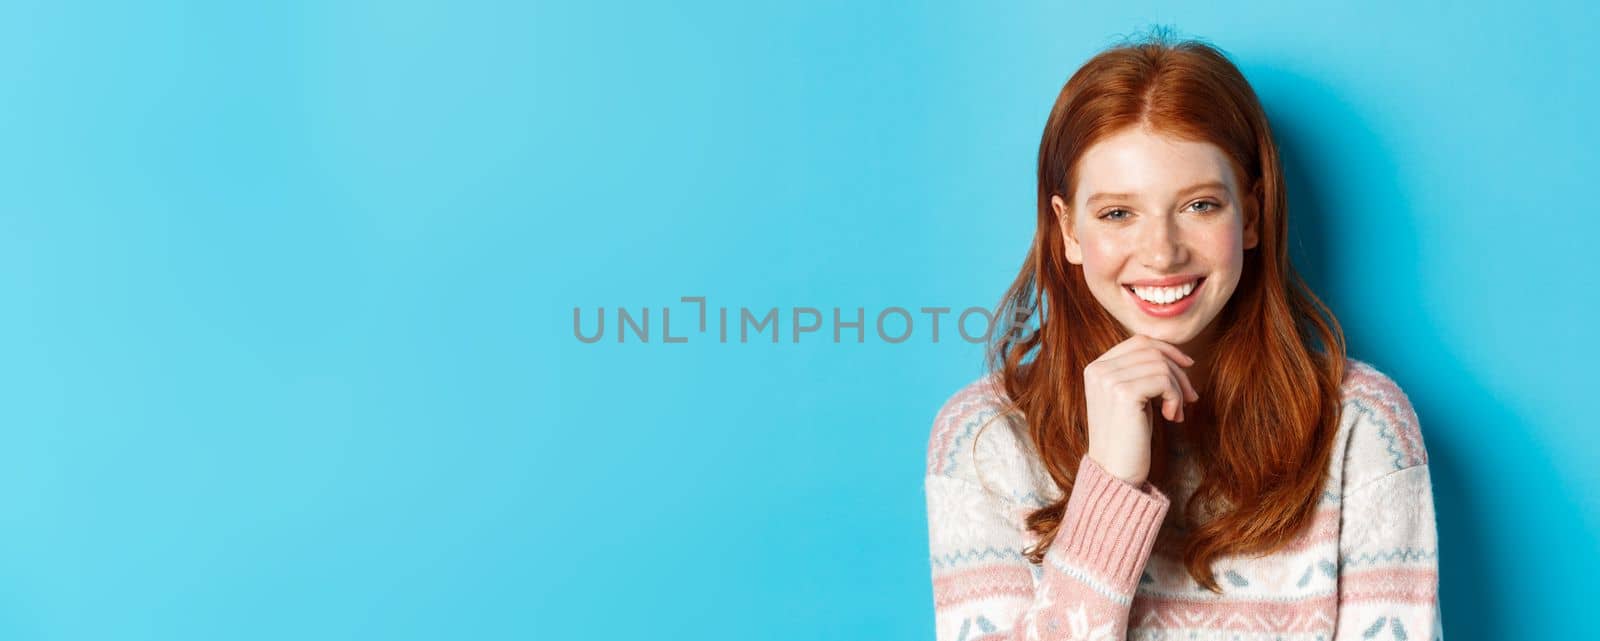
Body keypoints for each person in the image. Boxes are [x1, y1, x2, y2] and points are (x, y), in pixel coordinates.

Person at [923, 29, 1442, 641]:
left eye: (1199, 205)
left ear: (1250, 214)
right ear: (1068, 232)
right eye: (1118, 213)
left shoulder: (1361, 425)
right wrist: (1110, 489)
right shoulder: (982, 441)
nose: (1163, 253)